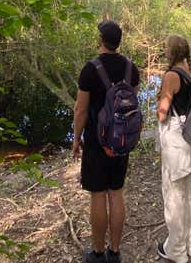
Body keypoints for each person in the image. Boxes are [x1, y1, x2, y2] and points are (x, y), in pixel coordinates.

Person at [72, 21, 140, 263]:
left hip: (96, 143)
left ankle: (98, 253)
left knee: (98, 195)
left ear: (101, 40)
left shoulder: (90, 69)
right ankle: (115, 251)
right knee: (116, 193)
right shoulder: (131, 68)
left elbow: (81, 110)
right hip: (121, 141)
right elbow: (130, 105)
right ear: (118, 42)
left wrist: (76, 138)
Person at [155, 35, 191, 263]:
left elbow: (162, 113)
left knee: (175, 197)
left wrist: (158, 104)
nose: (164, 50)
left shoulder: (171, 75)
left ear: (172, 51)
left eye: (166, 47)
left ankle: (176, 250)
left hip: (177, 142)